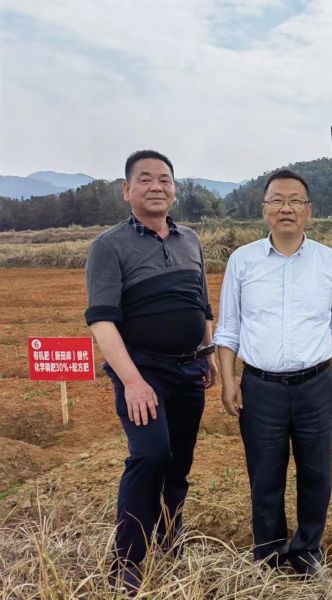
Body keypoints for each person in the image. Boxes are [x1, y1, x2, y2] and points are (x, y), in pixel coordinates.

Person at [84, 150, 217, 590]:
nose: (156, 186)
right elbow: (103, 321)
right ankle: (127, 560)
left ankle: (169, 533)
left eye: (164, 179)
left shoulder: (190, 240)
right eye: (145, 179)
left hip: (188, 371)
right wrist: (133, 381)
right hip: (142, 371)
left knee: (179, 461)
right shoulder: (108, 246)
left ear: (175, 189)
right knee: (150, 454)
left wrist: (208, 350)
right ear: (127, 190)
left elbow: (201, 302)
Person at [213, 168, 332, 574]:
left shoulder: (331, 263)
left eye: (295, 200)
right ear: (264, 209)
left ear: (309, 210)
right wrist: (228, 381)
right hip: (260, 387)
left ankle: (307, 551)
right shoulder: (243, 261)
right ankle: (269, 555)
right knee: (265, 476)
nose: (286, 208)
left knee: (316, 475)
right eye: (277, 200)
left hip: (315, 386)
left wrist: (319, 367)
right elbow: (229, 327)